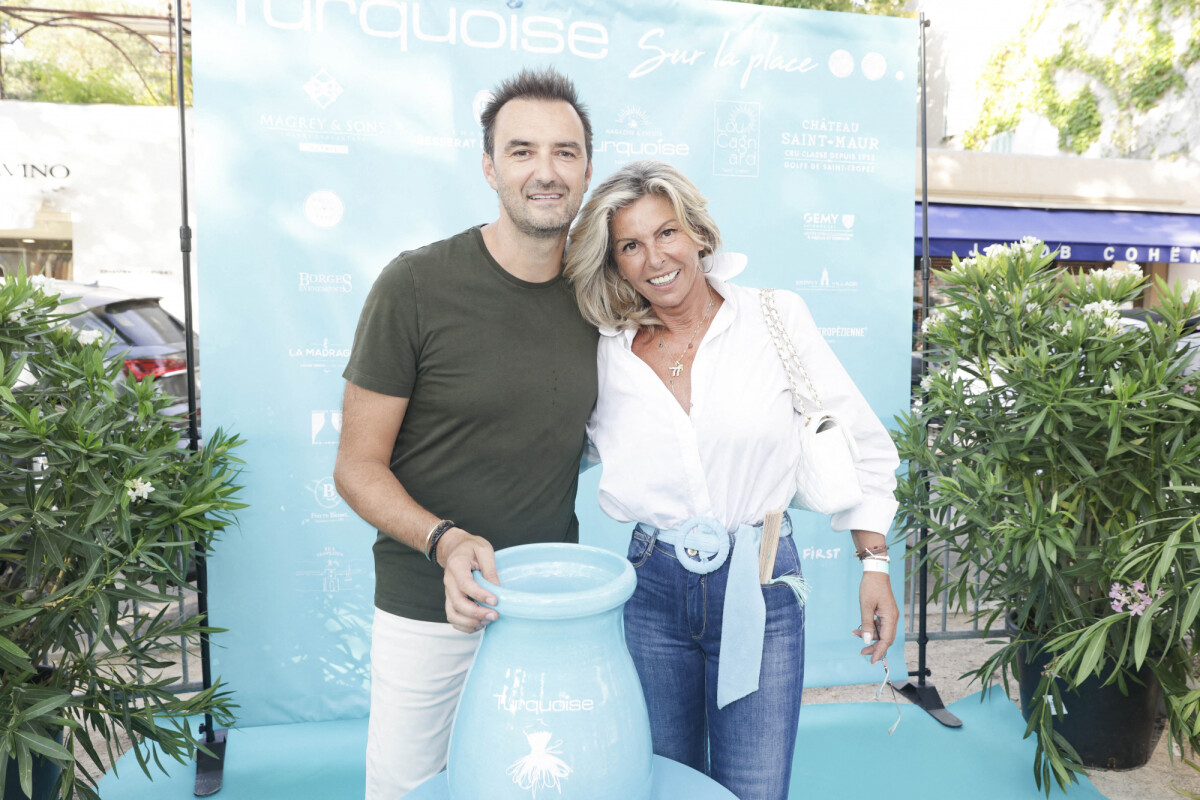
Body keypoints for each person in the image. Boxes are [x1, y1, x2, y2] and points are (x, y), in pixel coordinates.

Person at [564, 159, 901, 800]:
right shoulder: (605, 349)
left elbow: (861, 443)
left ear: (697, 234)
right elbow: (554, 448)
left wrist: (875, 566)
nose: (654, 257)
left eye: (666, 232)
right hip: (651, 587)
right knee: (665, 782)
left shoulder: (772, 317)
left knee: (755, 787)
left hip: (761, 577)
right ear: (614, 262)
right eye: (630, 245)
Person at [333, 67, 597, 799]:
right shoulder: (414, 285)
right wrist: (446, 541)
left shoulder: (603, 292)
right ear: (489, 167)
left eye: (565, 153)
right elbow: (356, 466)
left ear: (586, 169)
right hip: (427, 606)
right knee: (409, 789)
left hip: (547, 605)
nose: (545, 172)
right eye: (521, 151)